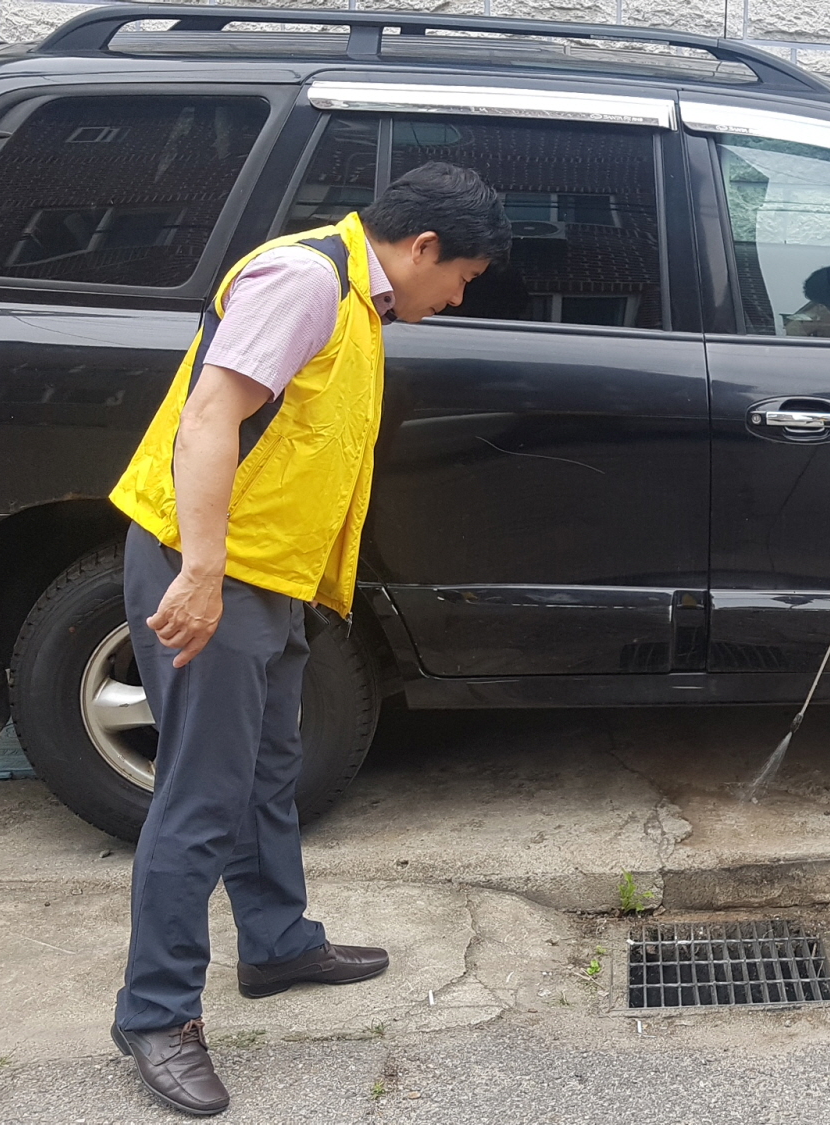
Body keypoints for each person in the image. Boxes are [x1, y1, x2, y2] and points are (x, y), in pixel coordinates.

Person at [105, 162, 511, 1117]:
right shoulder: (306, 281)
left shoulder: (358, 295)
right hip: (213, 566)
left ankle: (278, 940)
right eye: (464, 276)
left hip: (270, 577)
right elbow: (210, 419)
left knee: (267, 767)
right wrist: (201, 575)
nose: (458, 296)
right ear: (422, 249)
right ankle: (154, 1014)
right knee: (201, 795)